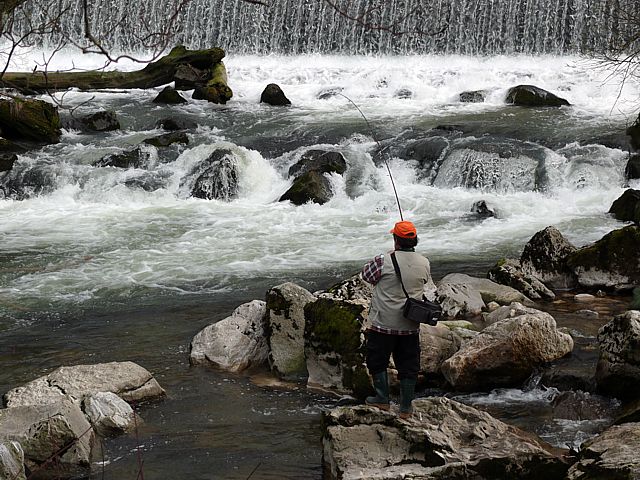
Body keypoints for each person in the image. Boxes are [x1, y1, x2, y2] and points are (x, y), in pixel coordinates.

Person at [361, 220, 435, 419]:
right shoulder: (424, 262)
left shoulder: (382, 260)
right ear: (415, 241)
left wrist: (389, 256)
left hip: (382, 324)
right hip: (409, 325)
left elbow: (365, 276)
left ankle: (382, 399)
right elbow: (425, 282)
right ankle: (405, 408)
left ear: (396, 240)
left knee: (377, 361)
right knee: (409, 365)